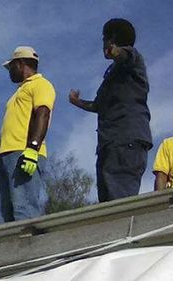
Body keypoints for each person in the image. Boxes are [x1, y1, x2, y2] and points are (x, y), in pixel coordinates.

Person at [69, 18, 152, 202]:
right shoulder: (112, 74)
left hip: (126, 140)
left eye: (104, 39)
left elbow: (126, 55)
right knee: (108, 202)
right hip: (110, 143)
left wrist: (117, 51)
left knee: (120, 200)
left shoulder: (132, 59)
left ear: (112, 38)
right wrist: (77, 102)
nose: (103, 45)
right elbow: (99, 106)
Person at [0, 46, 56, 224]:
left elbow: (42, 113)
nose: (9, 72)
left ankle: (30, 250)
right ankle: (7, 249)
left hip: (23, 154)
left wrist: (32, 149)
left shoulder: (41, 84)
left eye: (10, 67)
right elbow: (6, 133)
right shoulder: (16, 95)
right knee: (1, 213)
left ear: (20, 64)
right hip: (5, 157)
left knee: (24, 209)